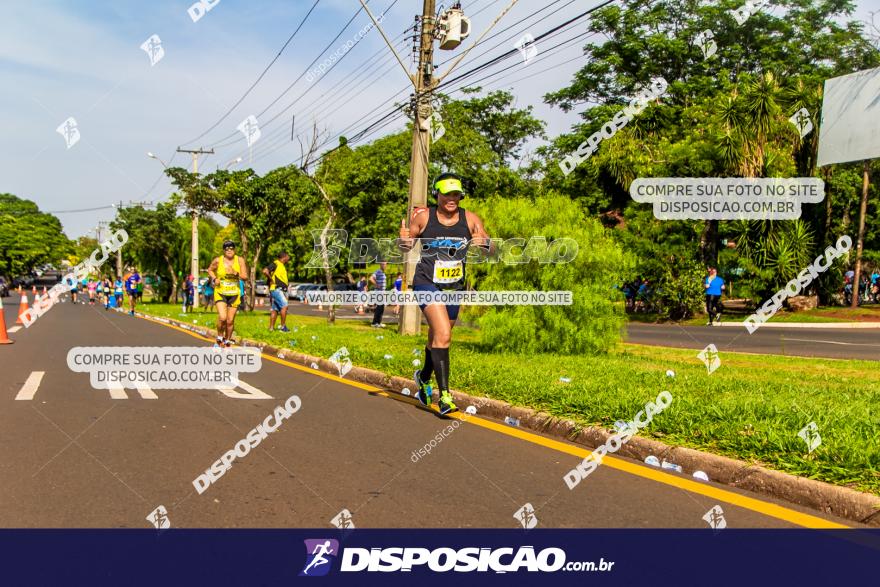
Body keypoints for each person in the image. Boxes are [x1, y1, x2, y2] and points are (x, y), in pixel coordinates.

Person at [399, 172, 493, 416]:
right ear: (437, 194)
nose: (451, 199)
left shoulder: (470, 219)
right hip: (426, 283)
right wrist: (403, 240)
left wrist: (486, 243)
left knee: (438, 338)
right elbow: (407, 246)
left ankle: (423, 377)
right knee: (442, 334)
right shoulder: (424, 217)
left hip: (454, 287)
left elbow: (489, 249)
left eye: (456, 194)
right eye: (446, 194)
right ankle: (445, 397)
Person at [208, 240, 248, 348]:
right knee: (222, 317)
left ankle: (227, 341)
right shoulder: (218, 260)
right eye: (226, 248)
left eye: (231, 248)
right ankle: (220, 338)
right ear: (224, 250)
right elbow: (210, 270)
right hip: (220, 292)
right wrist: (214, 278)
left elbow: (245, 276)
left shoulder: (240, 260)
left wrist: (236, 273)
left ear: (234, 249)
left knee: (230, 321)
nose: (229, 250)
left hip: (234, 293)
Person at [263, 252, 291, 332]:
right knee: (284, 306)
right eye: (288, 256)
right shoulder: (276, 263)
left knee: (275, 309)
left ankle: (271, 328)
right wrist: (271, 280)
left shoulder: (281, 265)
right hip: (276, 289)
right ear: (284, 257)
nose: (289, 258)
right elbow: (265, 271)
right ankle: (283, 327)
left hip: (279, 290)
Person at [370, 261, 388, 328]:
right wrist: (376, 285)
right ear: (380, 265)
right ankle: (374, 323)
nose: (384, 265)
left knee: (381, 308)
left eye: (385, 264)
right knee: (379, 308)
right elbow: (371, 278)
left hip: (382, 293)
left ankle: (379, 322)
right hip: (379, 293)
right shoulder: (378, 271)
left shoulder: (383, 272)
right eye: (383, 264)